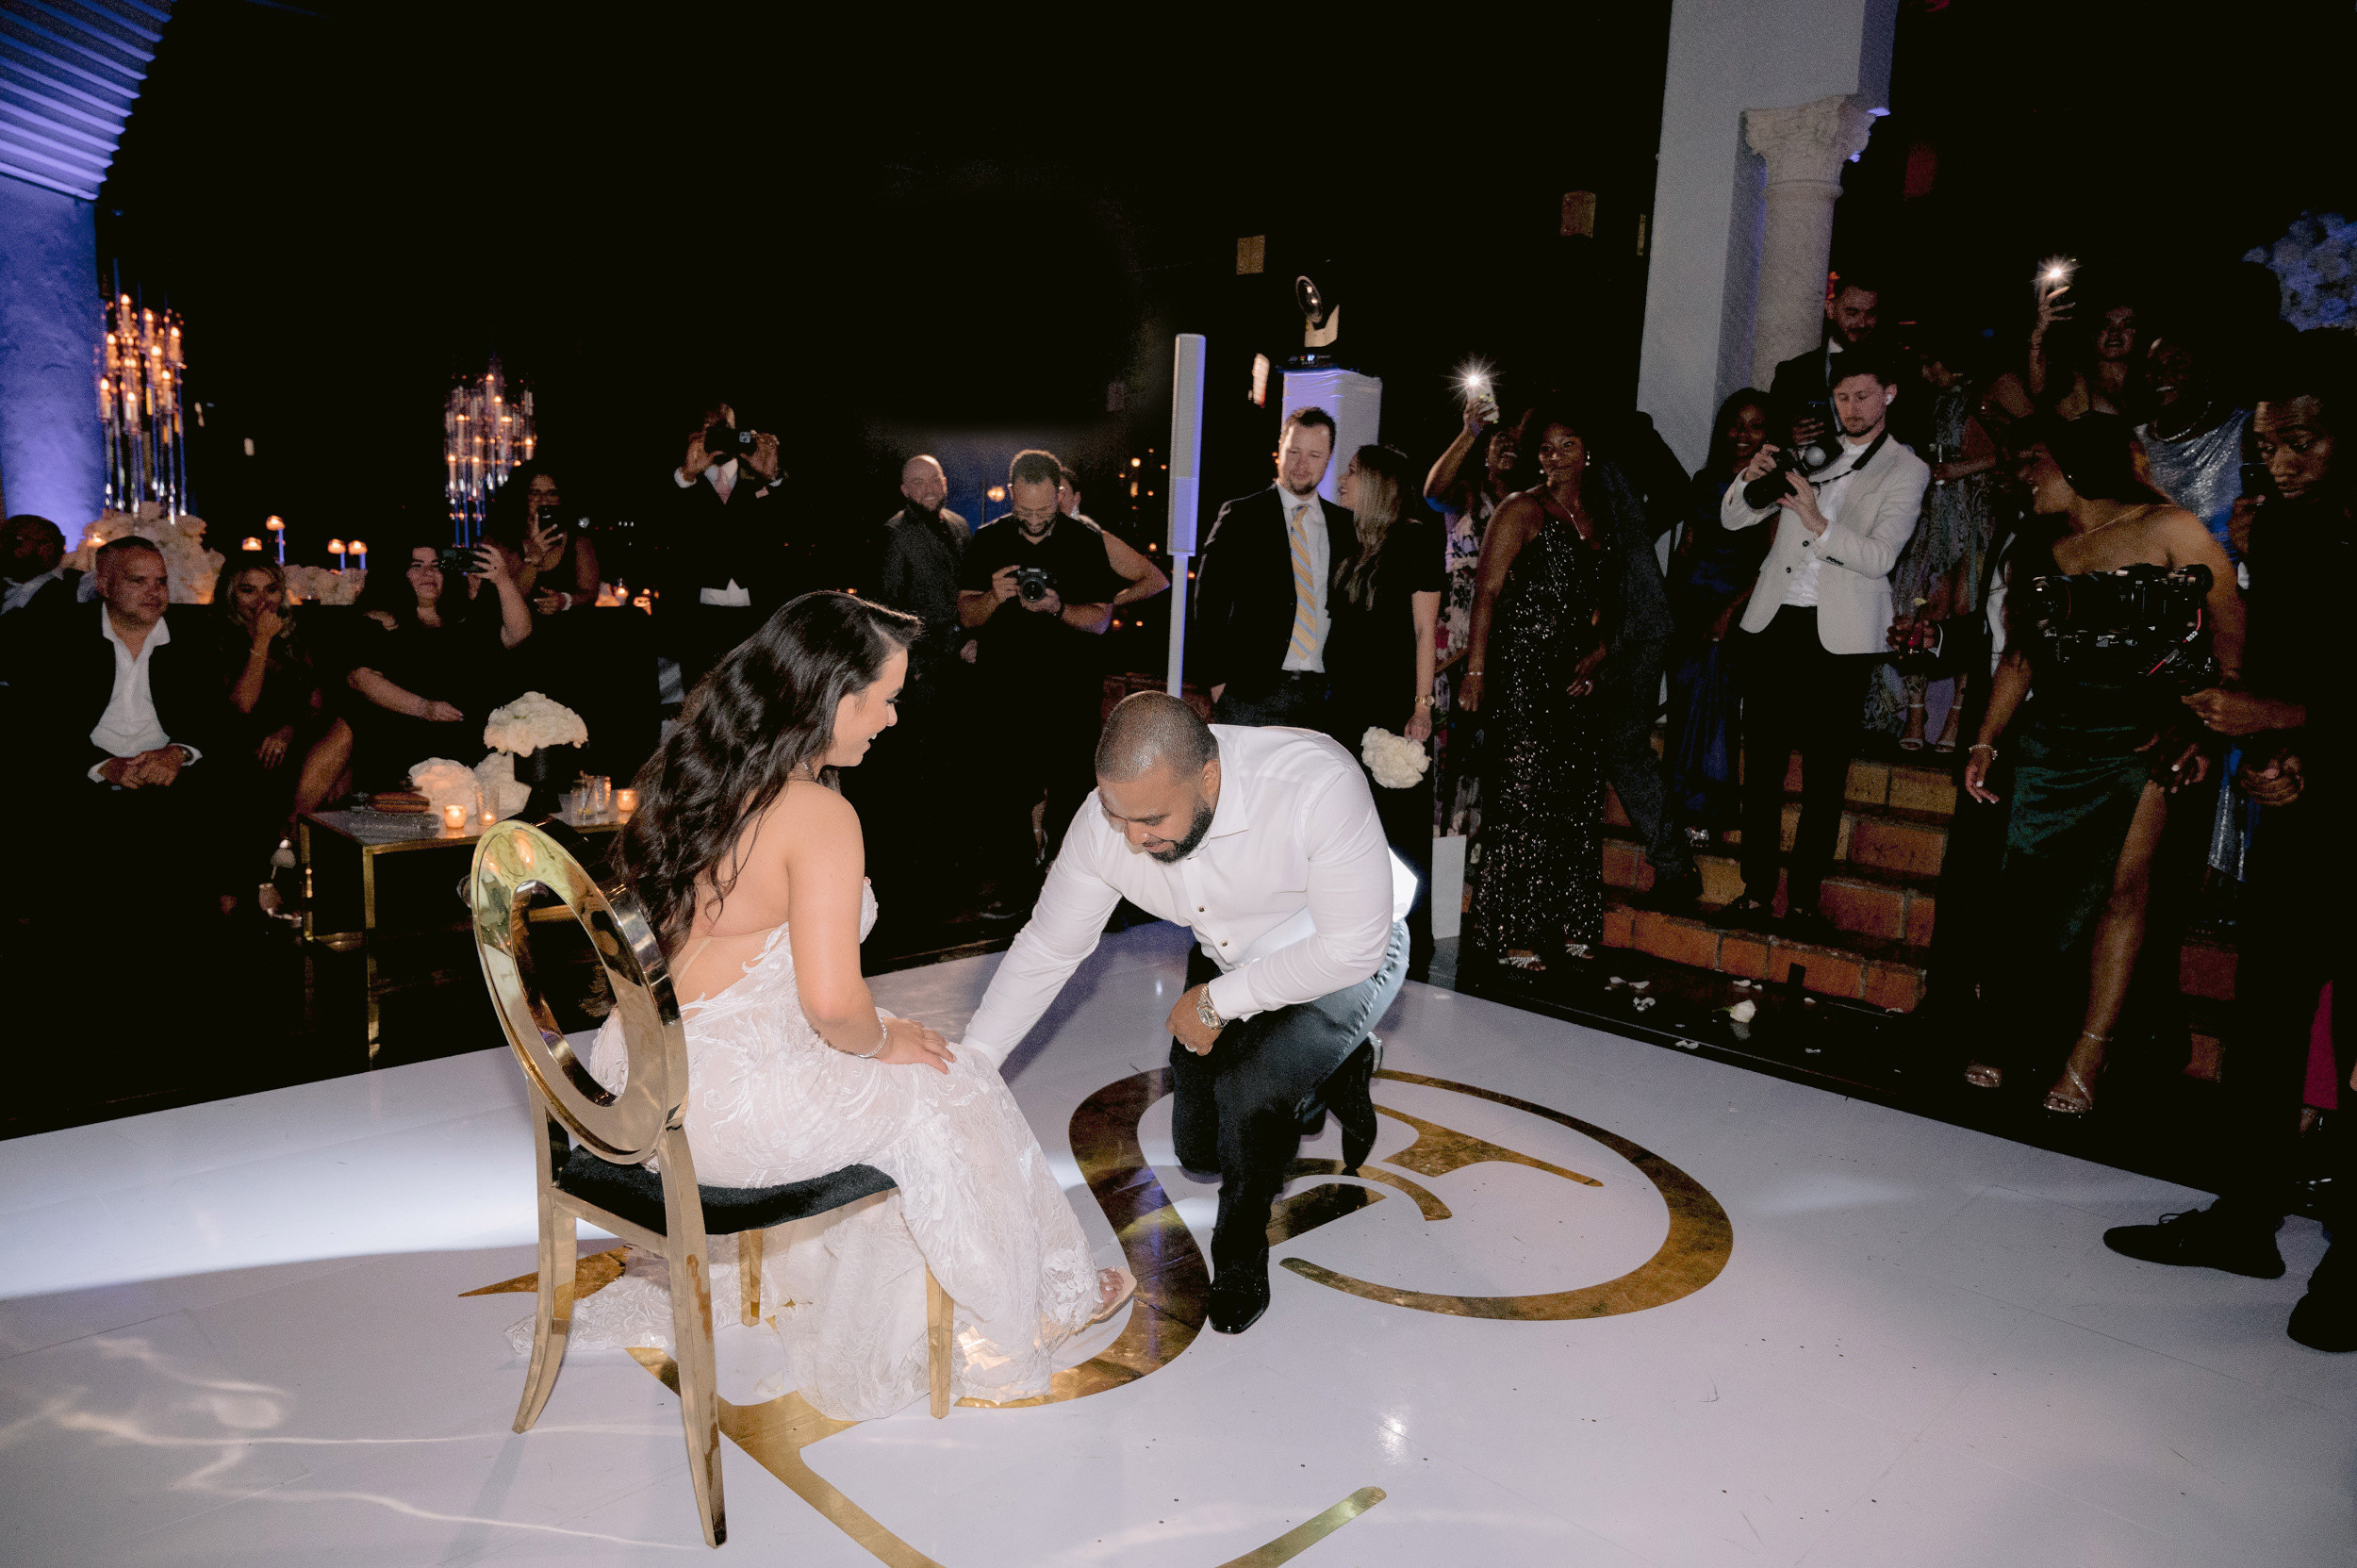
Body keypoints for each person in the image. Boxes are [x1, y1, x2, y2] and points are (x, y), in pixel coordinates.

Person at [574, 591, 1128, 1418]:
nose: (894, 719)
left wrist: (875, 1036)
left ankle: (970, 1286)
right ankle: (1039, 1302)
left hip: (637, 1072)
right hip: (716, 1104)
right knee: (956, 1082)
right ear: (833, 695)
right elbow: (832, 1005)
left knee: (919, 1072)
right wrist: (883, 1041)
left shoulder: (705, 769)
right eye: (887, 698)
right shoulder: (818, 813)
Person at [961, 692, 1411, 1334]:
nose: (1133, 838)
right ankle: (1339, 1063)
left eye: (1151, 818)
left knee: (1252, 1092)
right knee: (1201, 1149)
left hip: (1346, 950)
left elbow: (1352, 947)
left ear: (1209, 777)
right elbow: (1048, 947)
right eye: (1117, 816)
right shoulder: (1112, 820)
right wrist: (974, 1061)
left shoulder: (1314, 784)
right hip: (1230, 955)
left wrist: (1214, 1002)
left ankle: (1239, 1260)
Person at [2102, 338, 2351, 1349]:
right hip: (2303, 811)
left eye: (2304, 441)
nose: (2281, 461)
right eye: (2268, 444)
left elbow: (2299, 694)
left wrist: (2281, 720)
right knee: (2265, 1022)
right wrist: (2262, 751)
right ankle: (2245, 1220)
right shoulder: (2281, 529)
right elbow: (2287, 671)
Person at [1958, 415, 2243, 1113]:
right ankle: (2013, 1027)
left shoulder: (2173, 529)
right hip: (2052, 739)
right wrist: (1985, 741)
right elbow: (2020, 656)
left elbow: (2233, 640)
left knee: (2124, 890)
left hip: (2142, 740)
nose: (2025, 476)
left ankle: (2089, 1052)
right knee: (2029, 891)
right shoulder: (2040, 545)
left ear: (2078, 465)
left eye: (2036, 462)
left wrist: (2198, 728)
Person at [1712, 357, 1930, 942]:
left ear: (1889, 393)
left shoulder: (1906, 468)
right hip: (1775, 622)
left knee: (1824, 776)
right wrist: (1751, 474)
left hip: (1841, 635)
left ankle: (1804, 902)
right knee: (1761, 769)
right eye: (1842, 397)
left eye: (1862, 396)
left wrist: (1814, 518)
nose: (1851, 408)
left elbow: (1881, 557)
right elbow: (1733, 519)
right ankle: (1756, 892)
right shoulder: (1814, 453)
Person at [1459, 407, 1620, 969]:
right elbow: (1486, 593)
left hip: (1577, 677)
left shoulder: (1601, 515)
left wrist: (1600, 653)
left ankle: (1572, 925)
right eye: (1546, 448)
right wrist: (1476, 673)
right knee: (1523, 802)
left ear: (1588, 450)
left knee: (1576, 800)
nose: (1556, 457)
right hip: (1523, 673)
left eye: (1567, 444)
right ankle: (1511, 931)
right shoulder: (1520, 509)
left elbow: (1611, 600)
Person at [955, 450, 1130, 899]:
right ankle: (1016, 890)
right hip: (1004, 694)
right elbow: (967, 615)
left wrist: (1058, 608)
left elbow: (1100, 620)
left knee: (1072, 795)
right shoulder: (987, 540)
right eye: (1025, 510)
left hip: (1069, 694)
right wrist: (994, 596)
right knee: (1007, 797)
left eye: (1044, 509)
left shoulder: (1085, 541)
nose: (1034, 520)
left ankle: (1064, 890)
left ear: (1059, 494)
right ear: (1012, 494)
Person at [21, 536, 223, 912]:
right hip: (86, 775)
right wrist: (102, 765)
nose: (154, 592)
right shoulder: (62, 635)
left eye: (160, 581)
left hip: (169, 775)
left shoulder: (194, 637)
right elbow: (40, 725)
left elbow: (214, 720)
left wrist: (178, 753)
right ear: (104, 585)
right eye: (137, 580)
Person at [1324, 443, 1443, 974]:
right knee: (1350, 827)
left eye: (1351, 472)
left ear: (1377, 483)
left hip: (1393, 707)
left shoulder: (1415, 539)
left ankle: (1410, 946)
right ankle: (1357, 937)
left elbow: (1425, 632)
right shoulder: (1352, 542)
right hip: (1345, 705)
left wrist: (1422, 706)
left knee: (1400, 830)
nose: (1341, 479)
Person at [1868, 334, 2005, 752]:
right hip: (1932, 514)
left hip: (1974, 515)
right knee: (1916, 605)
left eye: (1933, 363)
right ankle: (1915, 710)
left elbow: (2009, 452)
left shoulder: (1985, 397)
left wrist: (1957, 470)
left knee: (1966, 612)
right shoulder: (1928, 401)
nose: (1926, 372)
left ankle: (1956, 716)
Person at [1194, 406, 1355, 728]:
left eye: (1314, 455)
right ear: (1279, 449)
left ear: (1328, 458)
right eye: (1294, 451)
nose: (1301, 464)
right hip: (1249, 695)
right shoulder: (1241, 516)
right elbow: (1208, 601)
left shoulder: (1344, 526)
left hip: (1323, 697)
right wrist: (1217, 683)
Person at [206, 557, 351, 907]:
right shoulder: (217, 637)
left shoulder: (294, 637)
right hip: (239, 745)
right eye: (248, 590)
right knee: (254, 778)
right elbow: (242, 706)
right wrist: (261, 639)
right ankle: (264, 874)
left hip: (290, 743)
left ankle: (284, 842)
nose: (262, 601)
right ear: (231, 595)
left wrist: (289, 729)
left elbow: (315, 705)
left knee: (344, 730)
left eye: (270, 590)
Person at [1664, 391, 1776, 832]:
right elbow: (1687, 545)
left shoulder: (1774, 484)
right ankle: (1675, 808)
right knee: (1682, 705)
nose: (1743, 434)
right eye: (1735, 423)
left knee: (1713, 710)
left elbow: (1771, 562)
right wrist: (1669, 605)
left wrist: (1729, 612)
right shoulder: (1705, 478)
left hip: (1736, 604)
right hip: (1690, 603)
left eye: (1755, 425)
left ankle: (1705, 812)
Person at [344, 536, 533, 789]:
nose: (428, 573)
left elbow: (519, 633)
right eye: (417, 565)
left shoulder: (463, 618)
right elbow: (361, 679)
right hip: (407, 743)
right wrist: (424, 708)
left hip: (468, 746)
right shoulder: (381, 621)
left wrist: (502, 580)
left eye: (435, 565)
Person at [1422, 395, 1519, 835]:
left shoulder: (1530, 509)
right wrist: (1469, 433)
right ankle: (1439, 844)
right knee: (1447, 750)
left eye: (1517, 442)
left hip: (1502, 644)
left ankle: (1475, 848)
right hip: (1454, 644)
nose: (1509, 446)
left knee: (1486, 757)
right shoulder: (1466, 495)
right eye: (1501, 441)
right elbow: (1432, 493)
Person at [663, 401, 800, 691]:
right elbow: (661, 530)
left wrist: (773, 477)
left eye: (725, 429)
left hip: (757, 618)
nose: (718, 436)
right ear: (692, 436)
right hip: (697, 620)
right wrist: (686, 477)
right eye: (708, 430)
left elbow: (797, 525)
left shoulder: (760, 478)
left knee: (755, 697)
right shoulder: (679, 483)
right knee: (701, 700)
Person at [2139, 324, 2250, 556]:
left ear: (2205, 369)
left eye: (2177, 363)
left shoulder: (2243, 430)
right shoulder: (2133, 443)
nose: (2162, 373)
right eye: (2153, 366)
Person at [1985, 283, 2139, 435]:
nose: (2114, 332)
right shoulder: (2076, 383)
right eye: (2105, 325)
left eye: (2127, 325)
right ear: (2093, 334)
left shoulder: (2147, 382)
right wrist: (2038, 334)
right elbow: (2040, 389)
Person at [1769, 275, 1882, 451]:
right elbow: (1772, 434)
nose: (1861, 323)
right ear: (1830, 310)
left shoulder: (1896, 369)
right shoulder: (1792, 373)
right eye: (1852, 313)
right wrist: (1789, 437)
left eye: (1870, 314)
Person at [488, 460, 602, 615]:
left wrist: (565, 601)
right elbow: (506, 600)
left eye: (552, 493)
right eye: (535, 493)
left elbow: (590, 593)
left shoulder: (579, 541)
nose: (543, 500)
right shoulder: (502, 541)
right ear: (522, 495)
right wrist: (533, 558)